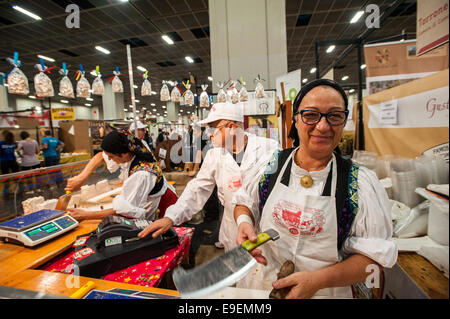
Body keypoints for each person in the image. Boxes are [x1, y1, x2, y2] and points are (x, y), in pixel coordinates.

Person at [233, 79, 397, 298]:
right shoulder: (271, 165)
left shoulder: (359, 182)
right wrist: (244, 222)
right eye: (311, 115)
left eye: (335, 116)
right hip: (262, 284)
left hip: (325, 291)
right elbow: (245, 202)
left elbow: (374, 260)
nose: (322, 126)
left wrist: (318, 281)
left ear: (344, 121)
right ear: (297, 120)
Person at [138, 101, 280, 253]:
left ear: (231, 127)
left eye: (213, 128)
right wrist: (171, 217)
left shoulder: (269, 148)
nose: (209, 134)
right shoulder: (214, 154)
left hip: (264, 229)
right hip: (232, 227)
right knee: (237, 272)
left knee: (265, 273)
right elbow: (197, 189)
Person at [67, 130, 178, 221]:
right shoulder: (135, 147)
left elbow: (126, 212)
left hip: (164, 208)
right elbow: (101, 156)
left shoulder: (141, 174)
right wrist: (81, 178)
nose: (109, 159)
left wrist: (86, 215)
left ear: (124, 154)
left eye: (111, 156)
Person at [65, 121, 149, 192]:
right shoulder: (124, 144)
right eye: (142, 129)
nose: (145, 131)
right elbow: (101, 156)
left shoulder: (143, 145)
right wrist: (81, 178)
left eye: (144, 129)